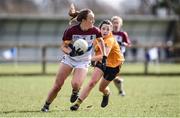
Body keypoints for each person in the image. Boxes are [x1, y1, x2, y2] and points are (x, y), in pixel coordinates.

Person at [41, 5, 106, 112]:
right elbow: (63, 46)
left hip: (84, 61)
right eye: (91, 19)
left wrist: (104, 55)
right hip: (69, 59)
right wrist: (71, 53)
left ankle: (75, 91)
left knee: (76, 84)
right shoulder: (71, 31)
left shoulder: (95, 30)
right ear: (84, 20)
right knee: (57, 86)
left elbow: (101, 41)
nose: (93, 21)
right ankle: (46, 105)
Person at [70, 20, 125, 111]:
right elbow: (97, 52)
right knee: (92, 83)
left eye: (108, 29)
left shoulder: (110, 40)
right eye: (103, 28)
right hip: (101, 62)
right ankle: (77, 104)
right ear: (100, 29)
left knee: (101, 88)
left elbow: (104, 55)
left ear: (111, 31)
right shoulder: (96, 38)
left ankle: (106, 93)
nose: (105, 31)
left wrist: (88, 59)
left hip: (114, 66)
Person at [111, 16, 131, 96]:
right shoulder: (109, 33)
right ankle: (121, 90)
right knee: (112, 75)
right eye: (114, 23)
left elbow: (128, 44)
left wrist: (123, 44)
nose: (116, 24)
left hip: (118, 57)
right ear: (111, 24)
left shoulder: (123, 34)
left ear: (120, 24)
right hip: (109, 56)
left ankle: (119, 89)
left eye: (117, 23)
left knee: (112, 74)